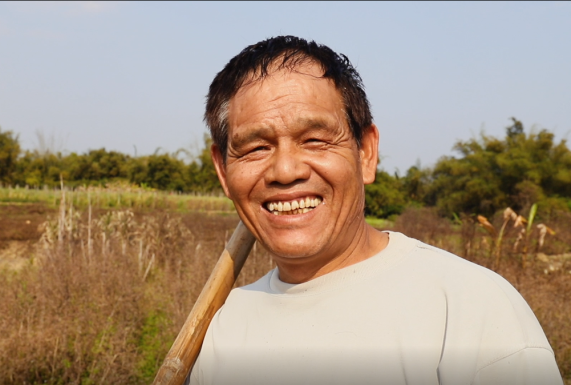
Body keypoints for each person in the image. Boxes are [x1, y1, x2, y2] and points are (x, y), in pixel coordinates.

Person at [187, 36, 563, 385]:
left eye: (315, 140)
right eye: (255, 148)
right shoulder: (222, 333)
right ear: (223, 170)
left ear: (366, 153)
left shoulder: (473, 311)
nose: (286, 171)